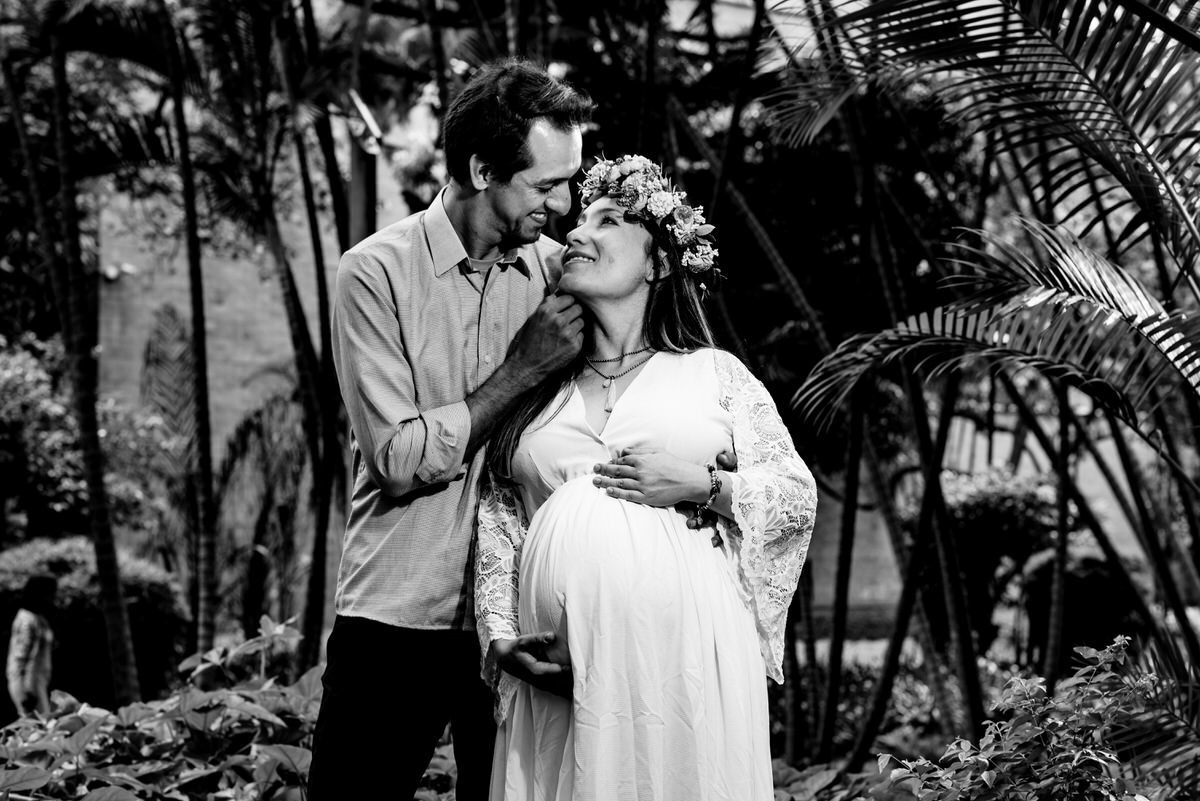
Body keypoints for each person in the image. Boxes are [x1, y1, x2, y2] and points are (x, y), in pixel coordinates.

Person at [475, 154, 818, 800]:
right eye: (580, 222)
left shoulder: (714, 374)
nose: (576, 233)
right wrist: (499, 636)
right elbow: (499, 519)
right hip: (558, 677)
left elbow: (796, 499)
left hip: (685, 660)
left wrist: (701, 484)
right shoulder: (537, 388)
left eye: (606, 221)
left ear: (659, 262)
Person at [307, 58, 594, 801]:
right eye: (545, 185)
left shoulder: (565, 275)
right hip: (396, 609)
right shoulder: (374, 273)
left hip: (522, 619)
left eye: (569, 182)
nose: (564, 205)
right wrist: (521, 368)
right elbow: (399, 457)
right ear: (480, 170)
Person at [6, 574, 56, 717]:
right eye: (49, 594)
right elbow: (21, 658)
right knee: (40, 725)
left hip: (37, 682)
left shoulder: (39, 619)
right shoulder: (26, 620)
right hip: (28, 685)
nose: (52, 599)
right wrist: (25, 691)